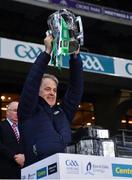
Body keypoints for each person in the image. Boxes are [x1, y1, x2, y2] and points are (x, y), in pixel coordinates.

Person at [18, 35, 83, 166]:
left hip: (67, 170)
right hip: (38, 171)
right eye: (47, 89)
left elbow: (76, 89)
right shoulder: (28, 110)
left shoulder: (63, 112)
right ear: (38, 91)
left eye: (54, 90)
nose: (52, 93)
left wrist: (75, 57)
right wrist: (47, 53)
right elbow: (32, 82)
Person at [0, 101, 25, 179]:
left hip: (23, 170)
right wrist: (14, 157)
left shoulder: (24, 128)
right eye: (15, 110)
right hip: (6, 170)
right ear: (7, 112)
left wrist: (25, 156)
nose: (18, 113)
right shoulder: (1, 126)